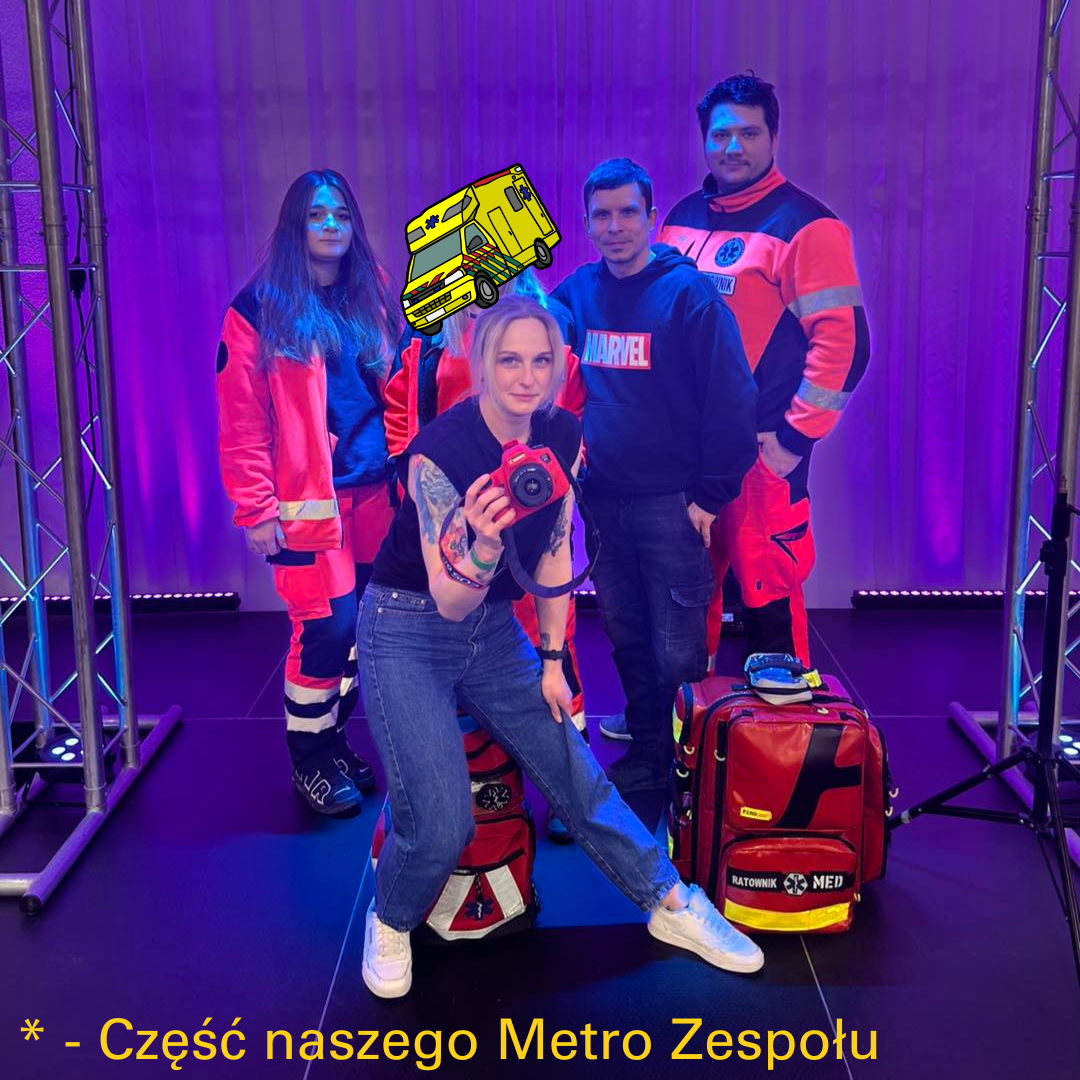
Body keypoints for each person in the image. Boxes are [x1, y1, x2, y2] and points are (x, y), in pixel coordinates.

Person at [357, 297, 764, 998]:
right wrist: (484, 544)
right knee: (442, 822)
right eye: (510, 360)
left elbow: (552, 548)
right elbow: (449, 597)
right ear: (481, 363)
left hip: (491, 630)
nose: (527, 377)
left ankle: (670, 902)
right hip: (406, 629)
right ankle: (390, 916)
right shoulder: (438, 455)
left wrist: (552, 661)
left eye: (541, 360)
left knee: (576, 771)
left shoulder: (561, 431)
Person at [551, 158, 758, 796]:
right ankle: (648, 752)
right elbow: (534, 336)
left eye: (627, 213)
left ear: (650, 217)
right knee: (626, 635)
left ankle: (690, 770)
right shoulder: (579, 293)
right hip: (602, 501)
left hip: (673, 505)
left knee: (678, 648)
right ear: (588, 224)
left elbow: (734, 399)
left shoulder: (688, 295)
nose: (614, 226)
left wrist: (710, 496)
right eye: (602, 216)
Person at [656, 72, 870, 676]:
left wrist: (792, 441)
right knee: (685, 588)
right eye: (721, 134)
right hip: (686, 449)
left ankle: (783, 724)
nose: (734, 147)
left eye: (749, 133)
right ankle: (687, 716)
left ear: (773, 138)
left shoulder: (806, 225)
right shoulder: (681, 217)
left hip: (760, 451)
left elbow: (846, 344)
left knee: (766, 588)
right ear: (705, 139)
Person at [216, 169, 400, 816]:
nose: (330, 225)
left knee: (365, 632)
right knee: (325, 629)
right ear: (296, 224)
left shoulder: (373, 294)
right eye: (317, 214)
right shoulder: (258, 309)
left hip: (376, 496)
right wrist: (255, 508)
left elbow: (401, 385)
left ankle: (333, 738)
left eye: (341, 215)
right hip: (307, 509)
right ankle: (310, 758)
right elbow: (242, 421)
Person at [383, 271, 589, 843]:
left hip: (535, 514)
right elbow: (404, 421)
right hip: (463, 519)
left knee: (552, 642)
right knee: (463, 646)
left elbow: (567, 416)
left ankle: (570, 781)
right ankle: (479, 778)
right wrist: (426, 493)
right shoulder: (429, 343)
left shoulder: (548, 335)